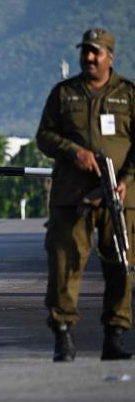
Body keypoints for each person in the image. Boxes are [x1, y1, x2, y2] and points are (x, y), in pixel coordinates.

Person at [36, 28, 135, 362]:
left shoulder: (128, 94)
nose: (89, 57)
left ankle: (115, 336)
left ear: (110, 56)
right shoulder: (64, 93)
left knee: (121, 265)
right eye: (86, 51)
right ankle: (63, 336)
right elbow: (44, 136)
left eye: (97, 52)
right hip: (72, 195)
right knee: (65, 265)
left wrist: (126, 179)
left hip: (119, 198)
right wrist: (72, 151)